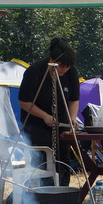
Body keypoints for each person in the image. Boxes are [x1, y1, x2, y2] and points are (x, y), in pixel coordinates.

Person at [18, 37, 80, 186]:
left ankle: (62, 189)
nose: (64, 70)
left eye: (67, 66)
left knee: (63, 156)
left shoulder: (71, 73)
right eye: (61, 66)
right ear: (52, 60)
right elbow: (24, 102)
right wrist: (45, 116)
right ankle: (44, 192)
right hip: (36, 122)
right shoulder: (35, 71)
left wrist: (72, 118)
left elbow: (73, 99)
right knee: (44, 156)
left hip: (62, 121)